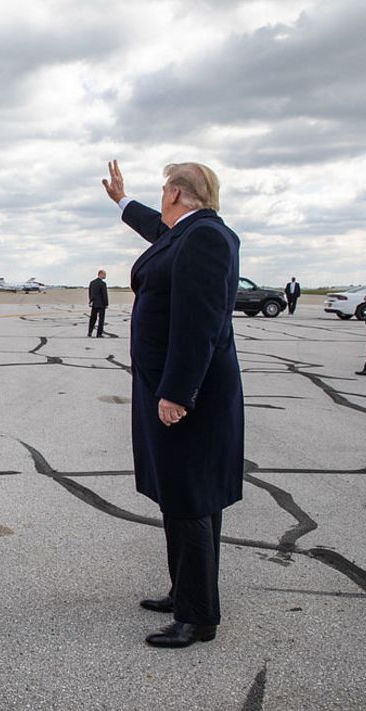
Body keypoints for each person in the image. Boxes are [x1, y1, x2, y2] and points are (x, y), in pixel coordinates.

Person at [101, 159, 244, 648]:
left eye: (163, 191)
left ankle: (197, 617)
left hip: (187, 394)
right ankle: (187, 590)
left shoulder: (203, 239)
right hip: (173, 387)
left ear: (178, 195)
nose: (160, 199)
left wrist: (177, 393)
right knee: (186, 497)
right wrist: (121, 200)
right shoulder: (185, 233)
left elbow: (199, 323)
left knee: (188, 498)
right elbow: (153, 227)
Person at [88, 270, 109, 337]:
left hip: (94, 303)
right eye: (104, 274)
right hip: (101, 304)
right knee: (101, 319)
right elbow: (104, 294)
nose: (105, 276)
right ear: (100, 274)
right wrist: (106, 303)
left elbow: (90, 293)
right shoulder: (103, 284)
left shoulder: (92, 283)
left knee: (92, 318)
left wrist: (91, 300)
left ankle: (90, 332)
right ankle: (99, 334)